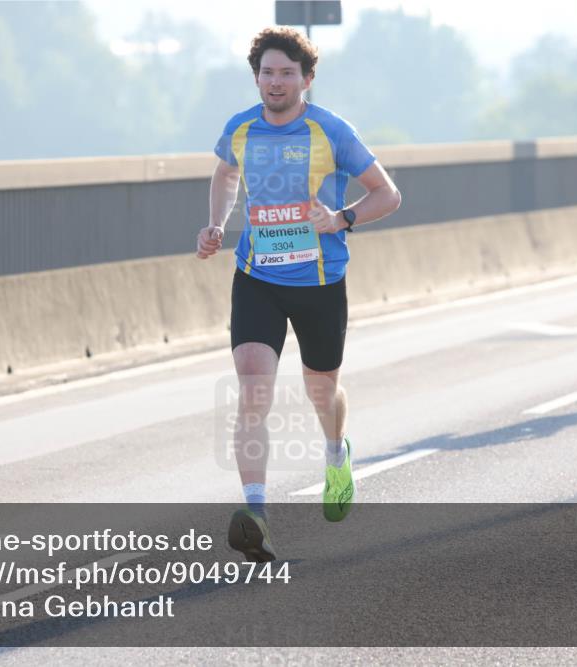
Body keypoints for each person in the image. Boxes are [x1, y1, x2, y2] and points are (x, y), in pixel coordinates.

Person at [196, 27, 401, 561]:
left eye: (287, 73)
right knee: (253, 390)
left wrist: (341, 218)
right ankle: (256, 513)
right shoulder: (240, 128)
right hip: (257, 278)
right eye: (267, 72)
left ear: (307, 79)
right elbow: (224, 174)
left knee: (321, 392)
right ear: (256, 77)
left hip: (319, 283)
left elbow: (388, 194)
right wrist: (216, 223)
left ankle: (336, 454)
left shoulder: (331, 131)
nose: (276, 82)